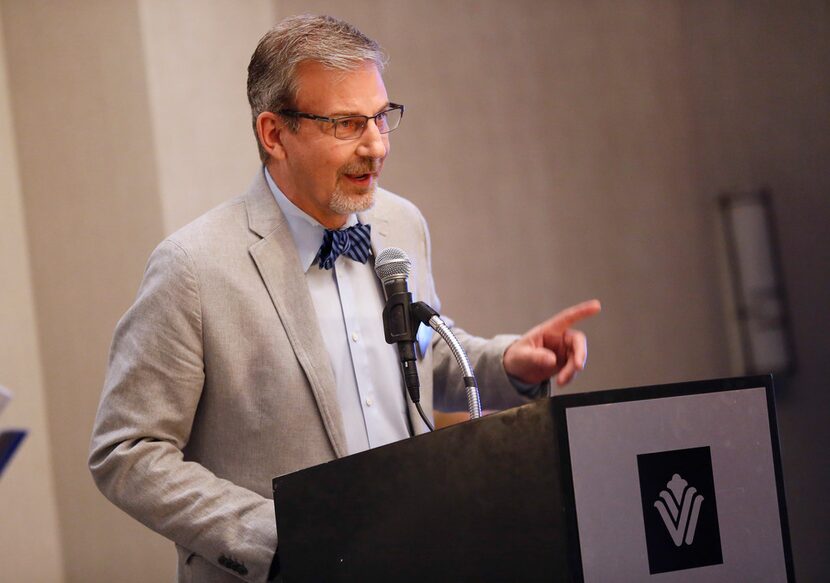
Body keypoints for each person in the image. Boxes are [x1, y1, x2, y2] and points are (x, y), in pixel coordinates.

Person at [89, 14, 600, 583]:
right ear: (274, 133)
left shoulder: (401, 223)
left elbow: (418, 355)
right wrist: (277, 538)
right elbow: (128, 451)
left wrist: (507, 363)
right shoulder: (194, 267)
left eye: (382, 118)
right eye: (346, 124)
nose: (376, 146)